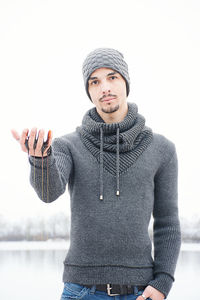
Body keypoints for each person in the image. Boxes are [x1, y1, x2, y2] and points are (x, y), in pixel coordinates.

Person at [11, 48, 181, 300]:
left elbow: (167, 223)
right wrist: (40, 158)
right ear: (89, 91)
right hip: (81, 290)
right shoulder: (67, 145)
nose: (105, 88)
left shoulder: (162, 149)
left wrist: (163, 283)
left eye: (112, 77)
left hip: (141, 292)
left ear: (126, 82)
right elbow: (49, 192)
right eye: (95, 81)